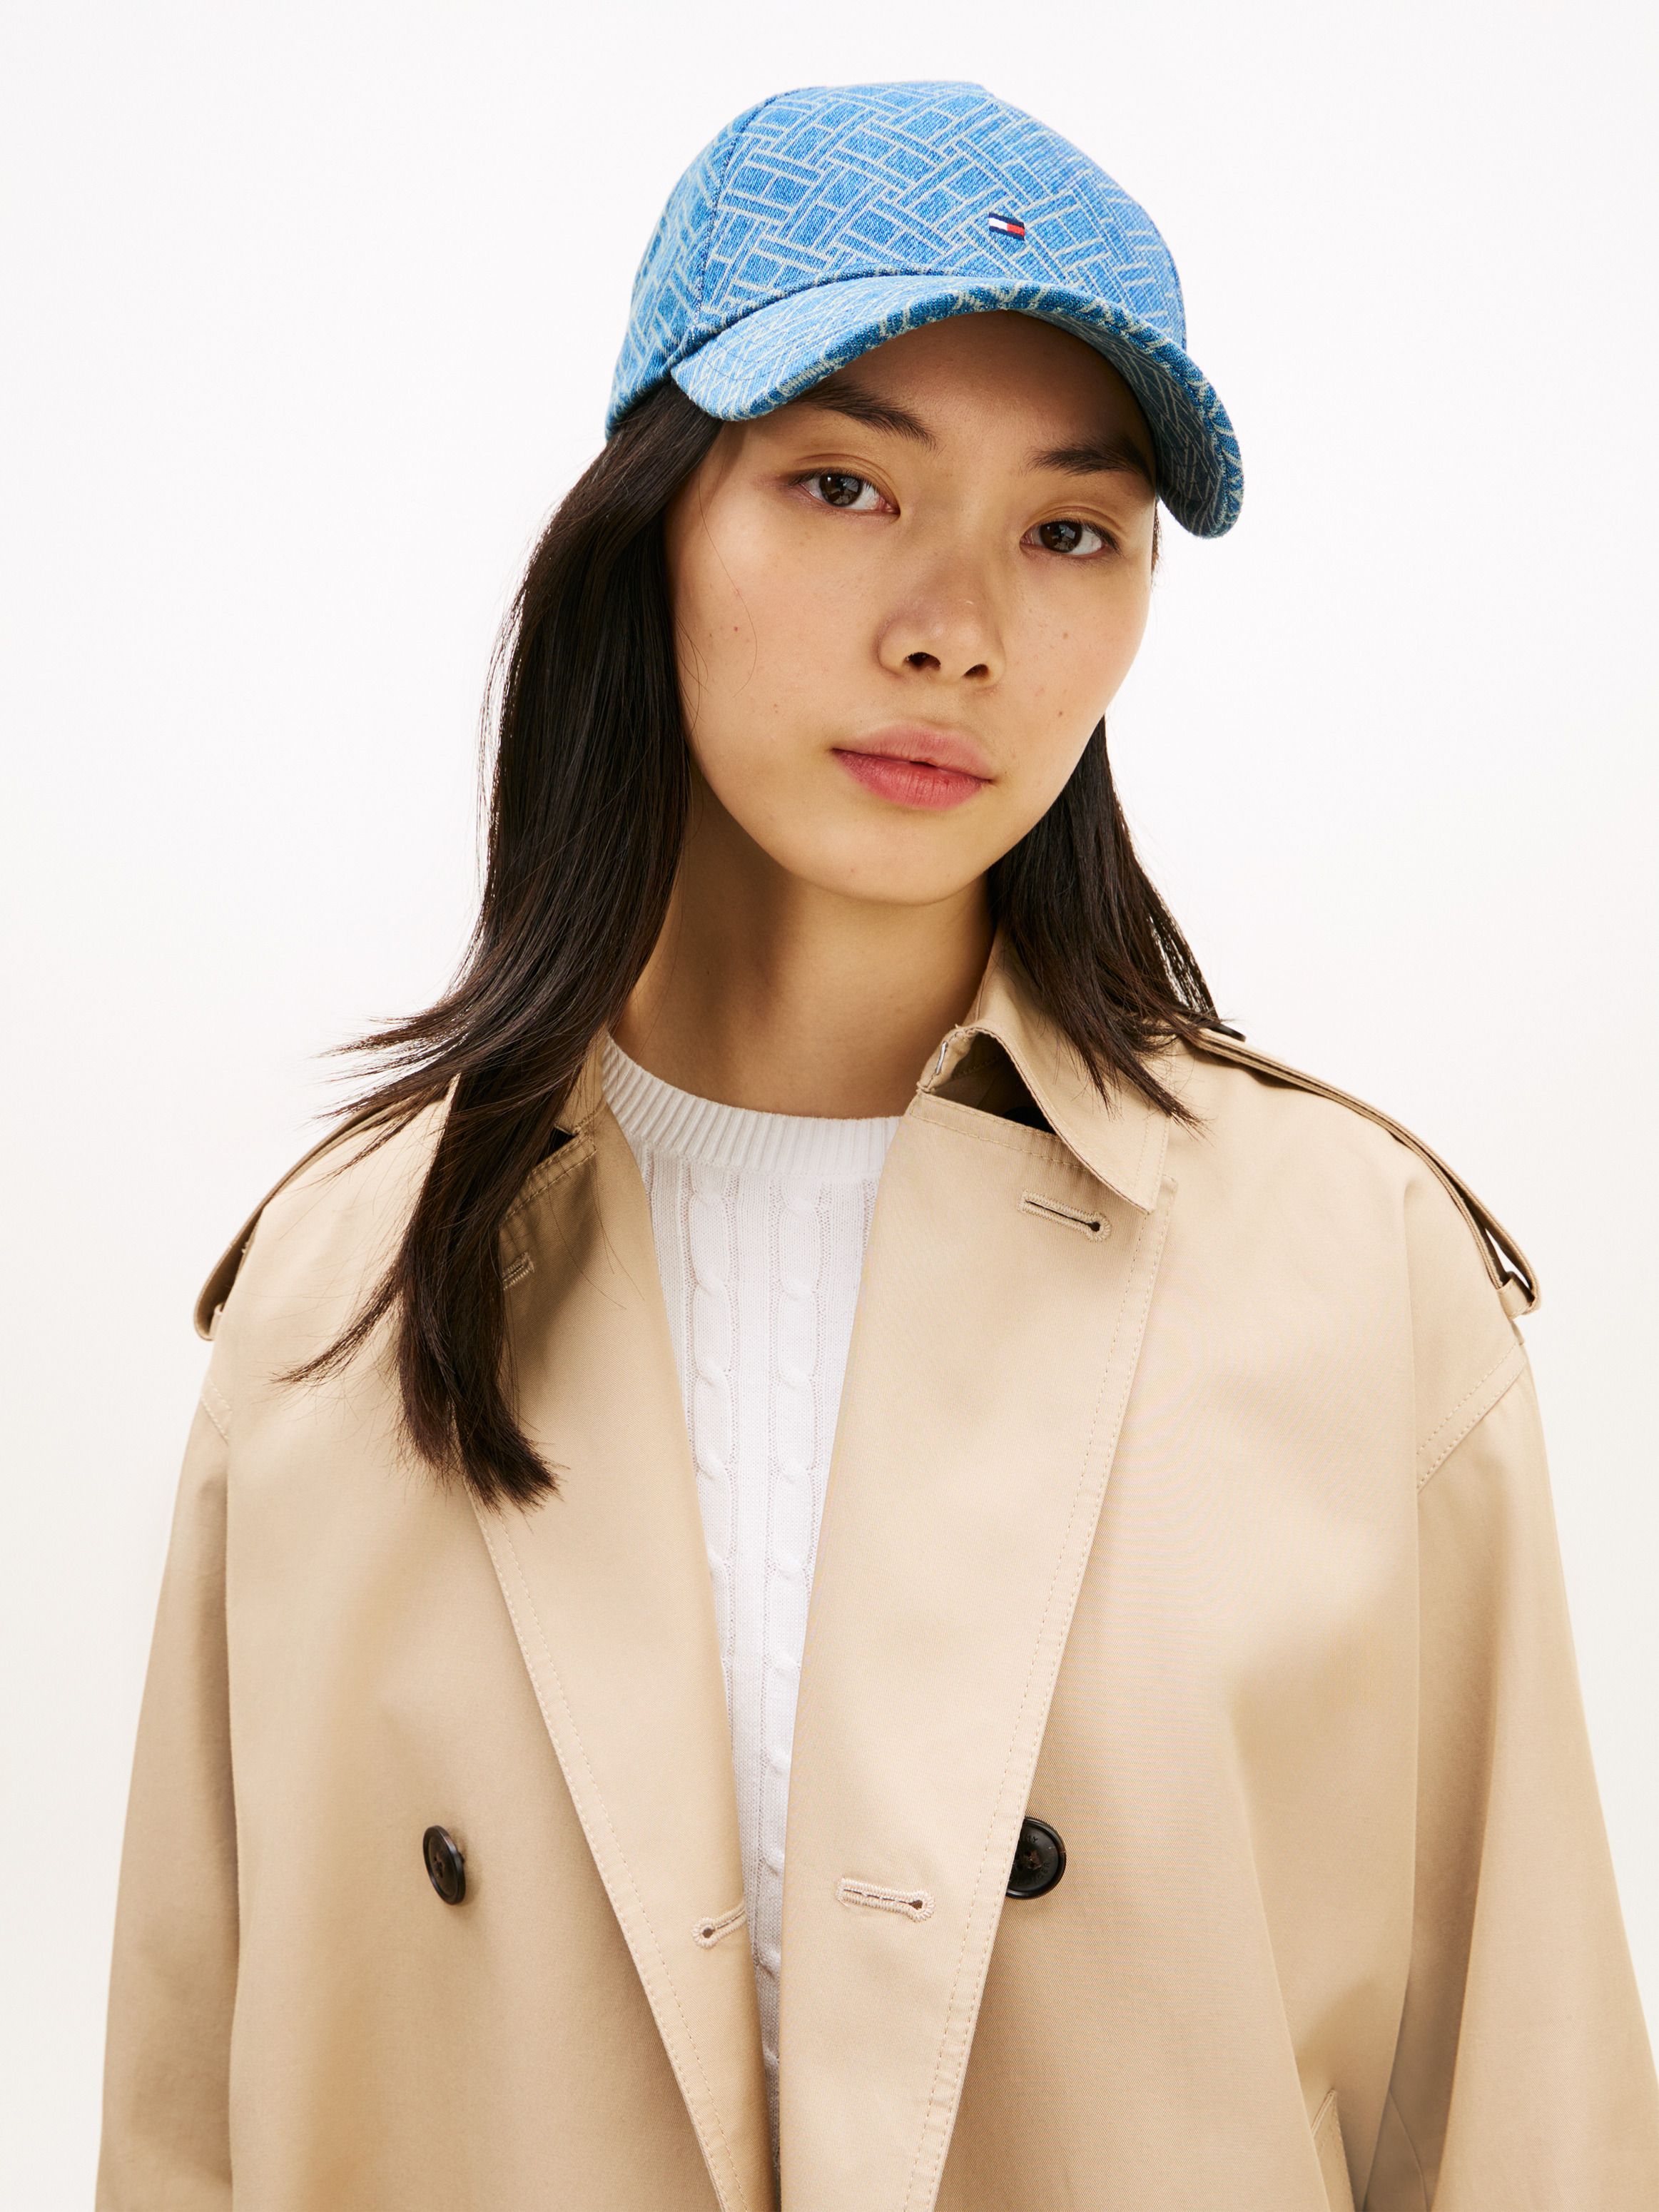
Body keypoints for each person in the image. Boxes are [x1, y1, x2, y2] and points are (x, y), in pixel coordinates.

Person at [97, 78, 1659, 2212]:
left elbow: (1528, 2127)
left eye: (1070, 530)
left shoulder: (1353, 1268)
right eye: (843, 484)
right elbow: (188, 2135)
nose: (956, 623)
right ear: (652, 521)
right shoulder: (342, 1291)